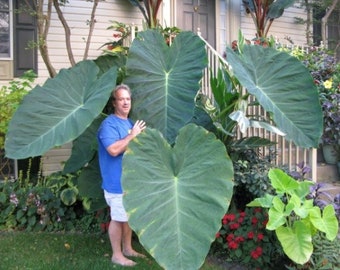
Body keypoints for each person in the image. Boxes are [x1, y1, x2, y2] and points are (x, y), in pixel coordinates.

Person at [97, 84, 146, 266]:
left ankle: (127, 249)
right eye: (121, 99)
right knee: (118, 218)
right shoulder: (108, 125)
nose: (125, 102)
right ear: (114, 102)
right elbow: (113, 150)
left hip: (130, 182)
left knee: (127, 218)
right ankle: (116, 255)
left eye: (128, 99)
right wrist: (132, 136)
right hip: (115, 182)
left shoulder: (130, 123)